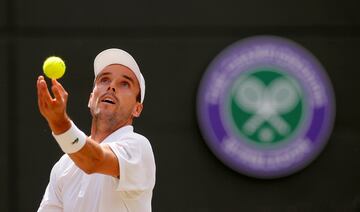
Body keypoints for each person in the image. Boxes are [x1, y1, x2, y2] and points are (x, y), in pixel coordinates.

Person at [37, 48, 156, 212]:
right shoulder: (63, 166)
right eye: (104, 80)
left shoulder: (139, 147)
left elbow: (94, 160)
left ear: (137, 109)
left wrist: (60, 124)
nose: (112, 86)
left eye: (124, 83)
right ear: (91, 98)